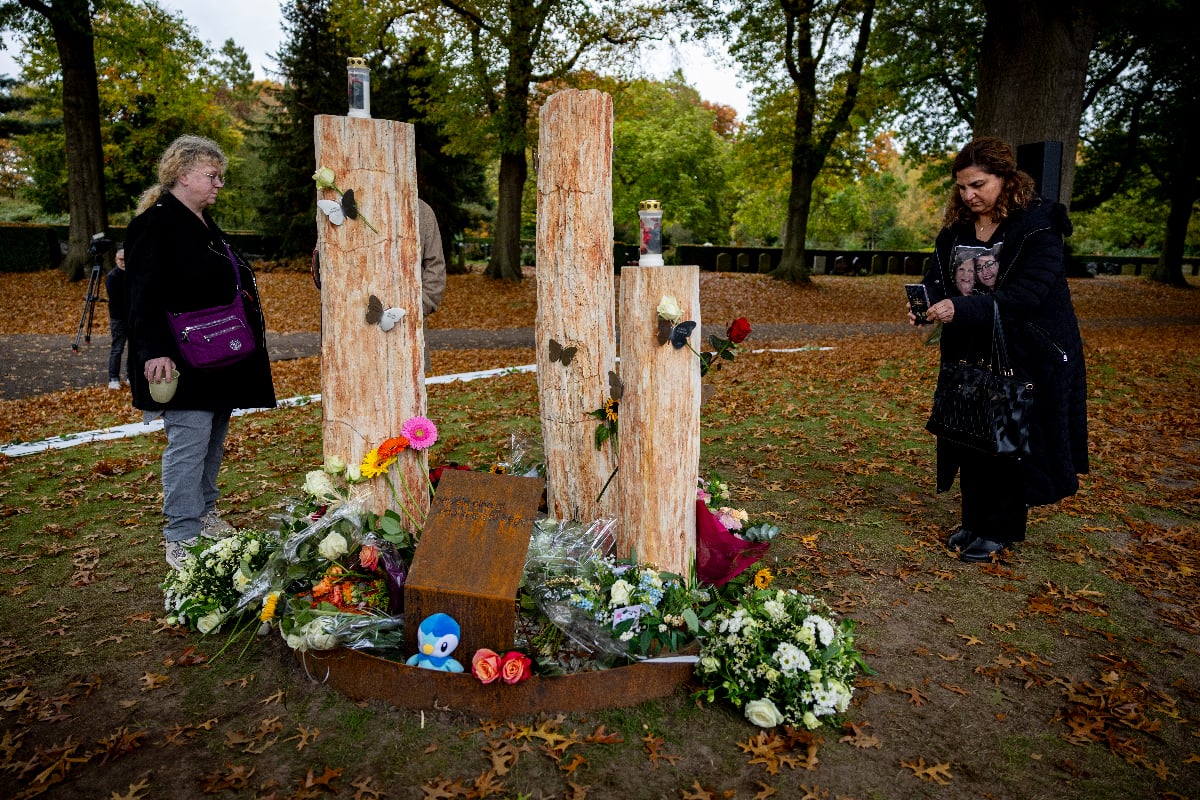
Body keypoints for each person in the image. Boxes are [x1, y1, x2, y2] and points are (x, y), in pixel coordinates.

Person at [909, 136, 1088, 563]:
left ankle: (1000, 527)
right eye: (962, 187)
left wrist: (961, 307)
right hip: (968, 350)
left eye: (979, 184)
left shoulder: (1038, 227)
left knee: (1006, 443)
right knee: (969, 433)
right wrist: (927, 303)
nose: (969, 195)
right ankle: (974, 519)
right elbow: (937, 275)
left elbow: (1028, 294)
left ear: (1006, 179)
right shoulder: (956, 230)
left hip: (1021, 352)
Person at [125, 135, 276, 570]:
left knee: (212, 439)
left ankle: (205, 511)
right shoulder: (154, 224)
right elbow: (141, 295)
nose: (219, 184)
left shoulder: (203, 223)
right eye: (212, 176)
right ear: (183, 174)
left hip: (219, 356)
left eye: (220, 176)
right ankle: (181, 533)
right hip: (181, 357)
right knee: (188, 442)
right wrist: (154, 351)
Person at [418, 199, 446, 373]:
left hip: (407, 322)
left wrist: (421, 305)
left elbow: (436, 265)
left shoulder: (421, 210)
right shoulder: (355, 206)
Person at [105, 246, 128, 389]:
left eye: (126, 259)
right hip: (119, 318)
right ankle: (113, 378)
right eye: (121, 259)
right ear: (116, 260)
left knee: (135, 350)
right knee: (117, 349)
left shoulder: (133, 274)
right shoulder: (112, 277)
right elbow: (116, 300)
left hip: (133, 318)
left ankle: (130, 376)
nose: (124, 262)